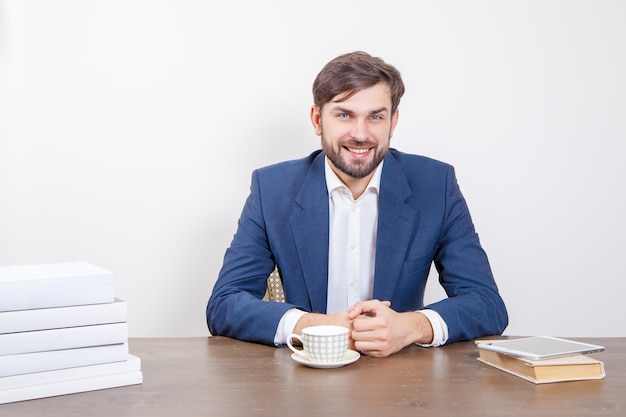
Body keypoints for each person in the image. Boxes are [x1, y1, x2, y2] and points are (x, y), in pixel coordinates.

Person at [206, 51, 508, 357]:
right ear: (317, 119)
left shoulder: (435, 185)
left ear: (393, 121)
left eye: (376, 116)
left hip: (401, 381)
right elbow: (225, 303)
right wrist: (315, 326)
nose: (360, 134)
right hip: (304, 378)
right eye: (344, 115)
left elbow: (486, 303)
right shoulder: (272, 189)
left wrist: (411, 326)